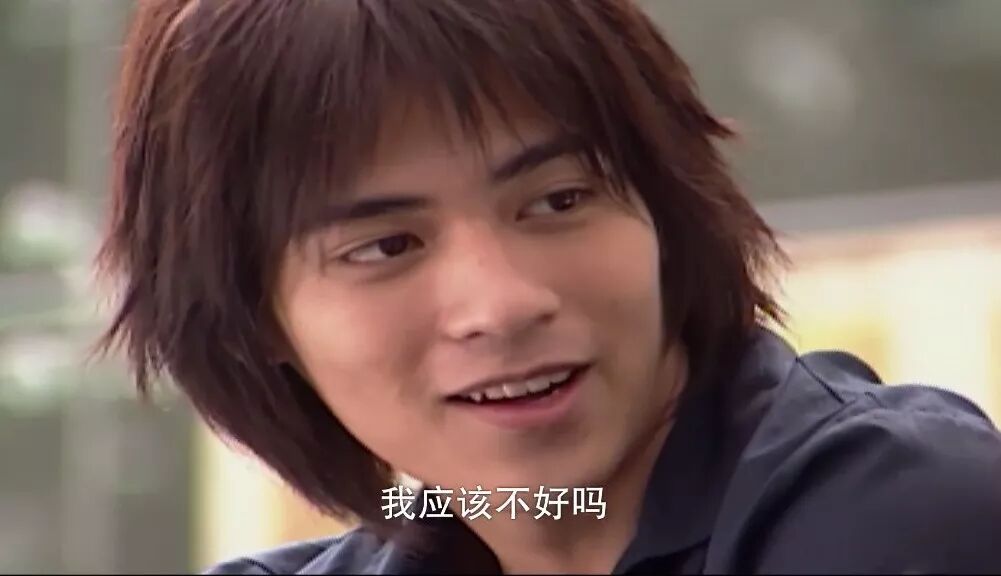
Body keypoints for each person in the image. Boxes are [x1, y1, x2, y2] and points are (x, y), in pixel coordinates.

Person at [94, 0, 1001, 574]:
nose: (501, 303)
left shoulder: (897, 518)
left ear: (663, 206)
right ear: (254, 321)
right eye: (386, 246)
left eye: (559, 200)